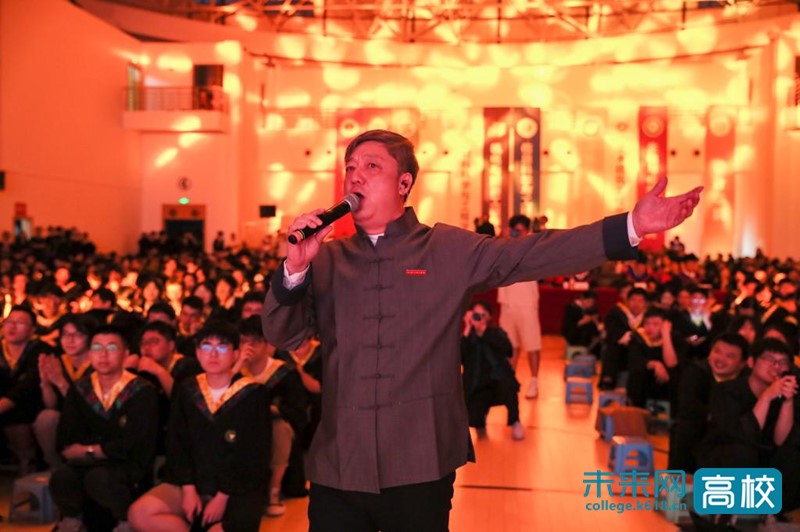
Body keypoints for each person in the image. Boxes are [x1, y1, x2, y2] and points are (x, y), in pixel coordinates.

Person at [262, 128, 702, 531]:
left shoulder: (445, 248)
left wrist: (631, 226)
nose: (356, 175)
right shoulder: (327, 259)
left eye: (372, 165)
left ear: (404, 183)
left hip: (421, 460)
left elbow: (531, 254)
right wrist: (294, 270)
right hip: (340, 463)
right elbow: (283, 335)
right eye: (350, 167)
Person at [128, 322, 271, 532]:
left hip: (238, 485)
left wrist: (222, 496)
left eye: (222, 347)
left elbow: (253, 454)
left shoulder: (253, 394)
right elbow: (177, 442)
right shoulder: (188, 390)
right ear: (197, 353)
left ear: (235, 354)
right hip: (194, 480)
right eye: (206, 346)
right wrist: (188, 488)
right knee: (139, 513)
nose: (213, 353)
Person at [50, 325, 158, 532]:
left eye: (112, 348)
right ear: (90, 354)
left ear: (125, 354)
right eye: (97, 348)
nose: (103, 355)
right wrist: (91, 452)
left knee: (100, 478)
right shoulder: (81, 388)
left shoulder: (142, 390)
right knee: (62, 477)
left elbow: (137, 441)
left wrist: (93, 450)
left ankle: (126, 523)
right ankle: (73, 521)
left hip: (127, 462)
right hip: (87, 461)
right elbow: (67, 437)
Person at [238, 316, 308, 517]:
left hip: (273, 426)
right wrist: (236, 367)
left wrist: (272, 409)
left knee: (281, 430)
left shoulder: (283, 372)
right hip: (240, 427)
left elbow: (297, 412)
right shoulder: (234, 370)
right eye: (243, 342)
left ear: (267, 343)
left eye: (255, 342)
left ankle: (273, 491)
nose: (248, 347)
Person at [668, 332, 749, 472]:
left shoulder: (747, 382)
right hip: (696, 431)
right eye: (717, 351)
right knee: (685, 426)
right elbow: (689, 407)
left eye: (730, 356)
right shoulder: (696, 372)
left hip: (729, 439)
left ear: (742, 364)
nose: (721, 359)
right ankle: (680, 479)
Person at [35, 314, 97, 470]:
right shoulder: (58, 361)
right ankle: (55, 466)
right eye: (65, 334)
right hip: (64, 418)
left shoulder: (98, 363)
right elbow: (51, 405)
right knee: (46, 417)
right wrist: (45, 383)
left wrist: (61, 382)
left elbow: (85, 407)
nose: (70, 340)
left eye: (78, 335)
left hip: (92, 418)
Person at [0, 305, 54, 474]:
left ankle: (28, 462)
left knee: (19, 411)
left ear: (32, 330)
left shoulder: (41, 350)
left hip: (30, 406)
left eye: (20, 323)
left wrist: (3, 405)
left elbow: (28, 385)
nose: (12, 327)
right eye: (9, 322)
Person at [460, 301, 524, 441]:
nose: (479, 318)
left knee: (509, 386)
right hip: (479, 385)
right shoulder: (468, 337)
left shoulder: (496, 333)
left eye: (483, 315)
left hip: (499, 381)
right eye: (476, 314)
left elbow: (508, 350)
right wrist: (467, 328)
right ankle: (480, 421)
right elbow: (459, 358)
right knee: (474, 418)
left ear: (489, 317)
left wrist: (484, 332)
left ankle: (515, 421)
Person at [497, 214, 543, 399]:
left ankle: (534, 382)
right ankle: (510, 382)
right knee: (510, 347)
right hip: (507, 304)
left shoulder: (534, 245)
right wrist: (503, 239)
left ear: (528, 231)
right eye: (515, 230)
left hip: (526, 303)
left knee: (532, 345)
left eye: (521, 231)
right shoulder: (503, 245)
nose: (518, 234)